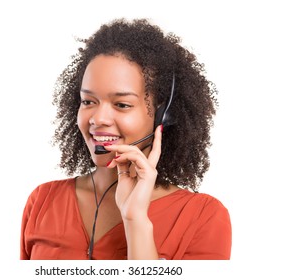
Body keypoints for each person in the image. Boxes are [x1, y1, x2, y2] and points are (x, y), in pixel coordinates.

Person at [20, 18, 232, 260]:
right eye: (88, 101)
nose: (98, 118)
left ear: (163, 116)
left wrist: (135, 220)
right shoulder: (43, 201)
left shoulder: (202, 217)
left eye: (122, 104)